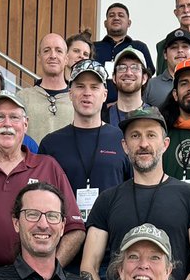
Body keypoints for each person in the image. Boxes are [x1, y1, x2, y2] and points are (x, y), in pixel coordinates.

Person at [80, 107, 190, 280]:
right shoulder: (107, 199)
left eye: (151, 135)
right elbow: (88, 265)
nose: (143, 144)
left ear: (165, 144)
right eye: (135, 136)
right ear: (125, 146)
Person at [0, 91, 85, 268]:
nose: (7, 124)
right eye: (0, 117)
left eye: (14, 117)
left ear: (25, 124)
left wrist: (50, 271)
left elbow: (74, 229)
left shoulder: (48, 167)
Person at [38, 59, 131, 224]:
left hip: (112, 238)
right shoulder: (51, 144)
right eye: (80, 86)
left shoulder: (122, 140)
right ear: (70, 93)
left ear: (104, 94)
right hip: (66, 237)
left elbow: (133, 191)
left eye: (94, 87)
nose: (87, 93)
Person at [18, 32, 75, 144]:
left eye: (59, 51)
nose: (53, 55)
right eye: (46, 50)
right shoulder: (22, 98)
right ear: (39, 57)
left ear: (66, 59)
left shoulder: (77, 98)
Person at [93, 1, 155, 102]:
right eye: (111, 15)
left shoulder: (139, 47)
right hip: (98, 106)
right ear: (105, 23)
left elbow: (148, 76)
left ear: (129, 23)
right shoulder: (94, 48)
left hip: (132, 106)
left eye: (121, 15)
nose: (116, 18)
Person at [105, 45, 150, 128]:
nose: (128, 73)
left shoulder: (155, 117)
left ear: (144, 78)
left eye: (135, 67)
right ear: (114, 77)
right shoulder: (101, 117)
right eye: (122, 67)